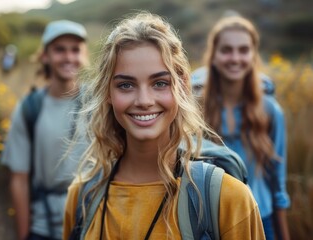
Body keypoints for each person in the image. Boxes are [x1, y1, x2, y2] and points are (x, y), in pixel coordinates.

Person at [63, 12, 265, 240]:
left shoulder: (229, 199)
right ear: (107, 92)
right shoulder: (82, 196)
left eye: (160, 83)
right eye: (126, 85)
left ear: (182, 85)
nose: (144, 100)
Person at [201, 16, 290, 240]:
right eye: (226, 50)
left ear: (253, 56)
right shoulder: (196, 108)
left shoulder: (270, 111)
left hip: (262, 219)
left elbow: (277, 184)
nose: (235, 58)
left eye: (243, 50)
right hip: (211, 224)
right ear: (213, 55)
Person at [0, 20, 88, 240]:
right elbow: (19, 179)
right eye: (59, 50)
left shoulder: (99, 103)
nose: (68, 57)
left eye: (75, 50)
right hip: (44, 228)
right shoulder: (30, 108)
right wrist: (24, 235)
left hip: (96, 225)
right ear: (44, 56)